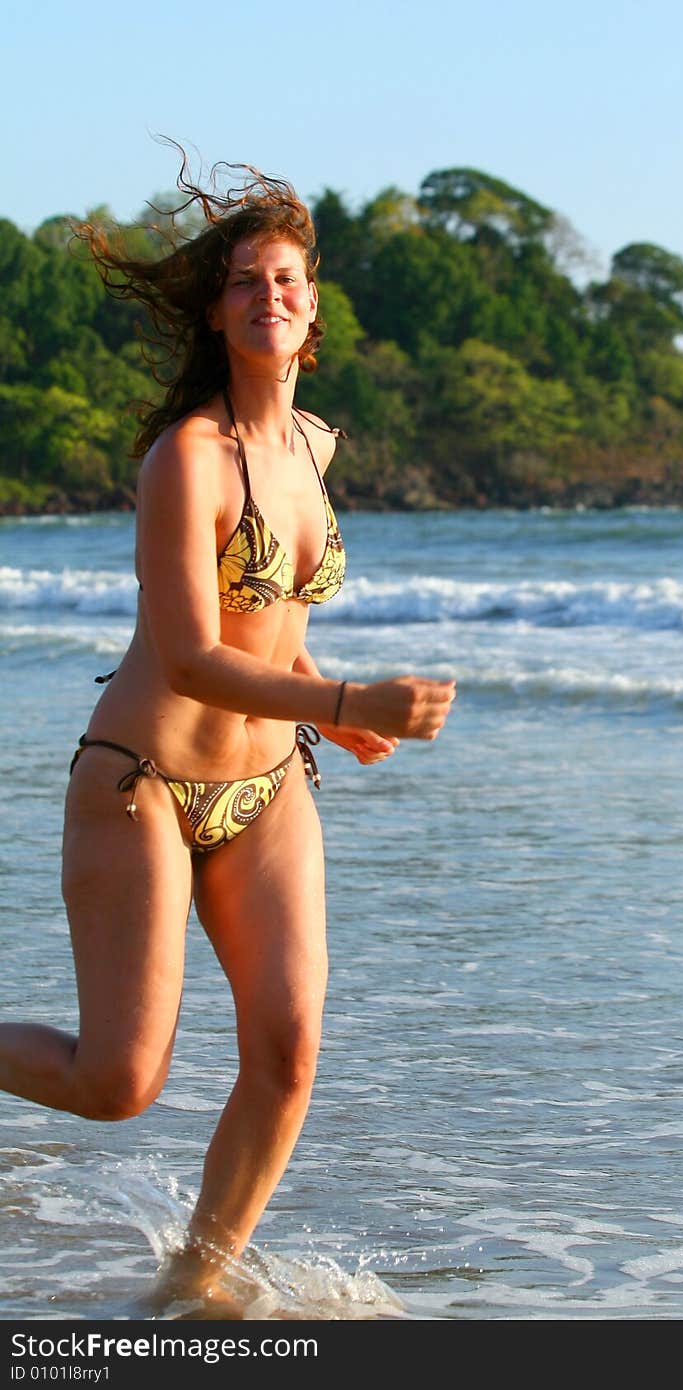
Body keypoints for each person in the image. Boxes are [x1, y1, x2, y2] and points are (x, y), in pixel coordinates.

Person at [0, 151, 455, 1307]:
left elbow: (270, 625)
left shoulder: (316, 446)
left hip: (268, 790)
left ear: (313, 304)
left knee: (289, 1052)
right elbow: (197, 653)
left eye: (291, 279)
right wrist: (349, 702)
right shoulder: (184, 459)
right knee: (118, 1083)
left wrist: (321, 698)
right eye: (247, 280)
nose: (272, 297)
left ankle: (192, 1289)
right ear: (217, 309)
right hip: (144, 781)